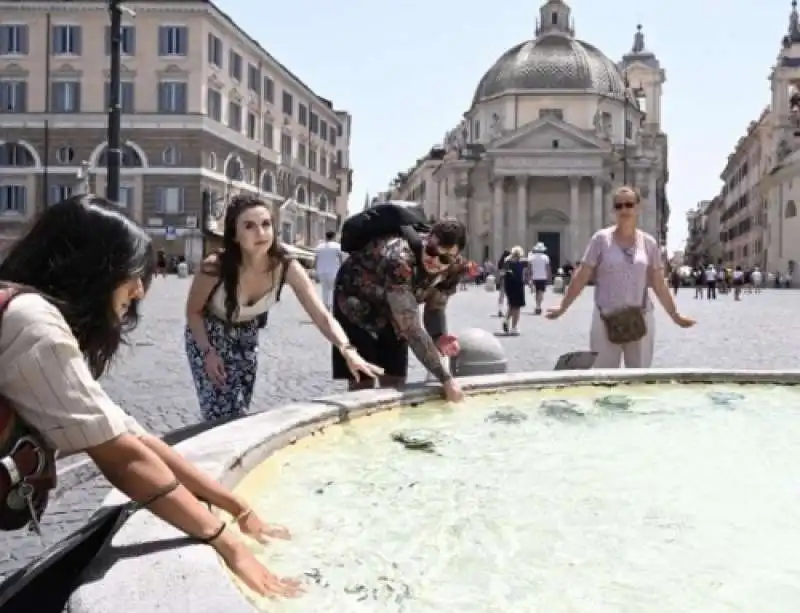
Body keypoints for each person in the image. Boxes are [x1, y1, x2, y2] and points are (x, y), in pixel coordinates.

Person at [0, 194, 301, 598]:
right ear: (92, 269)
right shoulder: (35, 325)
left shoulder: (26, 307)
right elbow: (124, 459)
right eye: (133, 274)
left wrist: (236, 507)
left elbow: (132, 435)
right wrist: (228, 545)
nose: (140, 290)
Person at [185, 195, 382, 422]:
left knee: (239, 411)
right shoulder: (215, 266)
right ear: (235, 235)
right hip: (208, 335)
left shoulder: (286, 265)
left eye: (266, 224)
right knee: (219, 412)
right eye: (249, 226)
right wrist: (208, 352)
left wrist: (348, 350)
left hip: (246, 335)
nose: (260, 233)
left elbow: (321, 315)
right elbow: (193, 312)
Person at [546, 186, 695, 368]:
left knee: (638, 380)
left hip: (640, 318)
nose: (624, 210)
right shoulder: (600, 239)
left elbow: (658, 283)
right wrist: (563, 306)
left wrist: (675, 315)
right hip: (605, 318)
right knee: (604, 378)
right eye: (619, 206)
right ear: (613, 210)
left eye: (629, 205)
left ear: (638, 208)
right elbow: (582, 275)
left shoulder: (649, 243)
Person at [332, 218, 467, 402]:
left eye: (444, 258)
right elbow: (411, 329)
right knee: (363, 378)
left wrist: (438, 336)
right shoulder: (400, 260)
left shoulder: (455, 269)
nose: (434, 260)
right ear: (427, 240)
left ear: (456, 257)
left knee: (395, 378)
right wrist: (446, 378)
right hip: (355, 302)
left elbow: (435, 307)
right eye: (431, 251)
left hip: (396, 307)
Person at [314, 230, 343, 311]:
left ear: (325, 236)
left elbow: (315, 259)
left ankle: (325, 306)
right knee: (333, 289)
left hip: (322, 271)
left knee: (324, 290)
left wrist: (315, 271)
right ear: (333, 237)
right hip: (333, 272)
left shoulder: (319, 246)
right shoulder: (337, 246)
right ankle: (331, 306)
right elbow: (341, 259)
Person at [501, 246, 527, 335]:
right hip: (518, 286)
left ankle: (506, 319)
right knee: (517, 308)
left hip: (509, 286)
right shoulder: (521, 263)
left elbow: (503, 273)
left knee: (511, 305)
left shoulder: (507, 262)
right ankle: (514, 327)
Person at [528, 241, 551, 314]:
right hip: (543, 276)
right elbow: (547, 268)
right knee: (541, 292)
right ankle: (539, 306)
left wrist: (529, 277)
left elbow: (529, 268)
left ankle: (537, 306)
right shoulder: (546, 257)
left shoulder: (531, 257)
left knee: (536, 292)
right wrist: (549, 277)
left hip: (534, 276)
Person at [496, 249, 510, 317]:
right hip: (509, 280)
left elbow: (499, 273)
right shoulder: (509, 262)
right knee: (509, 297)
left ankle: (500, 310)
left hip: (502, 280)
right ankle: (508, 311)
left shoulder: (500, 262)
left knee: (501, 297)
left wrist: (497, 281)